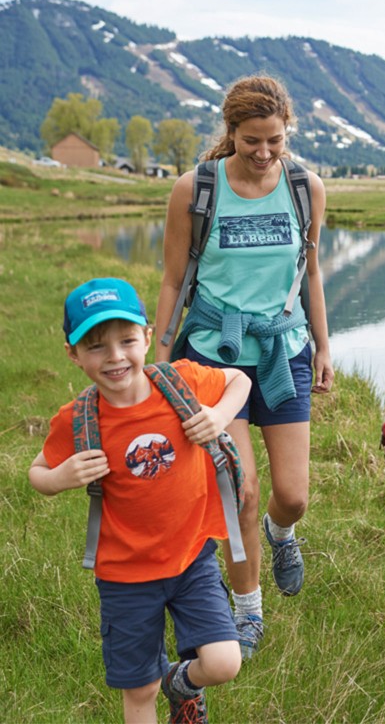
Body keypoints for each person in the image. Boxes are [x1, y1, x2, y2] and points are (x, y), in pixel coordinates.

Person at [155, 74, 335, 659]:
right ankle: (247, 612)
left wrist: (325, 348)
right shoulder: (194, 188)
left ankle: (282, 536)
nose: (263, 154)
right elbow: (174, 278)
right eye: (251, 141)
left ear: (289, 134)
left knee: (292, 496)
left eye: (274, 141)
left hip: (285, 350)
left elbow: (309, 274)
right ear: (230, 132)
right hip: (212, 354)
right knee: (241, 488)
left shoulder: (306, 188)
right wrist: (160, 355)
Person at [29, 277, 251, 724]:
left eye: (127, 340)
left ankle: (182, 684)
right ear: (73, 354)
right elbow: (37, 472)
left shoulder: (181, 383)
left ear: (147, 337)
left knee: (226, 661)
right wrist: (59, 477)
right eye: (95, 347)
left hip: (192, 558)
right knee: (139, 691)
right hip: (125, 575)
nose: (114, 357)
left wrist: (218, 416)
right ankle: (160, 688)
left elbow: (239, 380)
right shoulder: (77, 419)